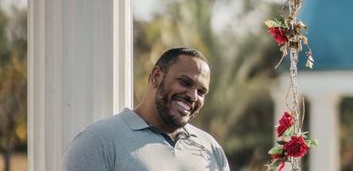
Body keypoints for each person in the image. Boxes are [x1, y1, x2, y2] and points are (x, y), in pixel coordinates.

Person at [63, 47, 230, 171]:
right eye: (184, 83)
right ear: (156, 76)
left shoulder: (210, 148)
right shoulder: (98, 141)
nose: (193, 96)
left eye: (201, 92)